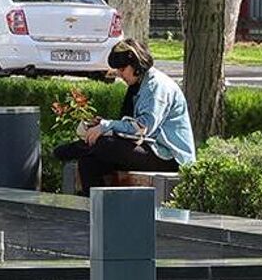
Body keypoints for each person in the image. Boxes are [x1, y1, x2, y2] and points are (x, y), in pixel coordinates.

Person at [53, 38, 196, 194]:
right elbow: (128, 125)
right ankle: (97, 211)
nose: (120, 75)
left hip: (168, 156)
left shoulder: (156, 87)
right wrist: (102, 125)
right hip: (148, 148)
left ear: (136, 64)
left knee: (105, 145)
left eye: (122, 69)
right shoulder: (138, 84)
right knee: (88, 162)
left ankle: (78, 147)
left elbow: (142, 128)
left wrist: (108, 126)